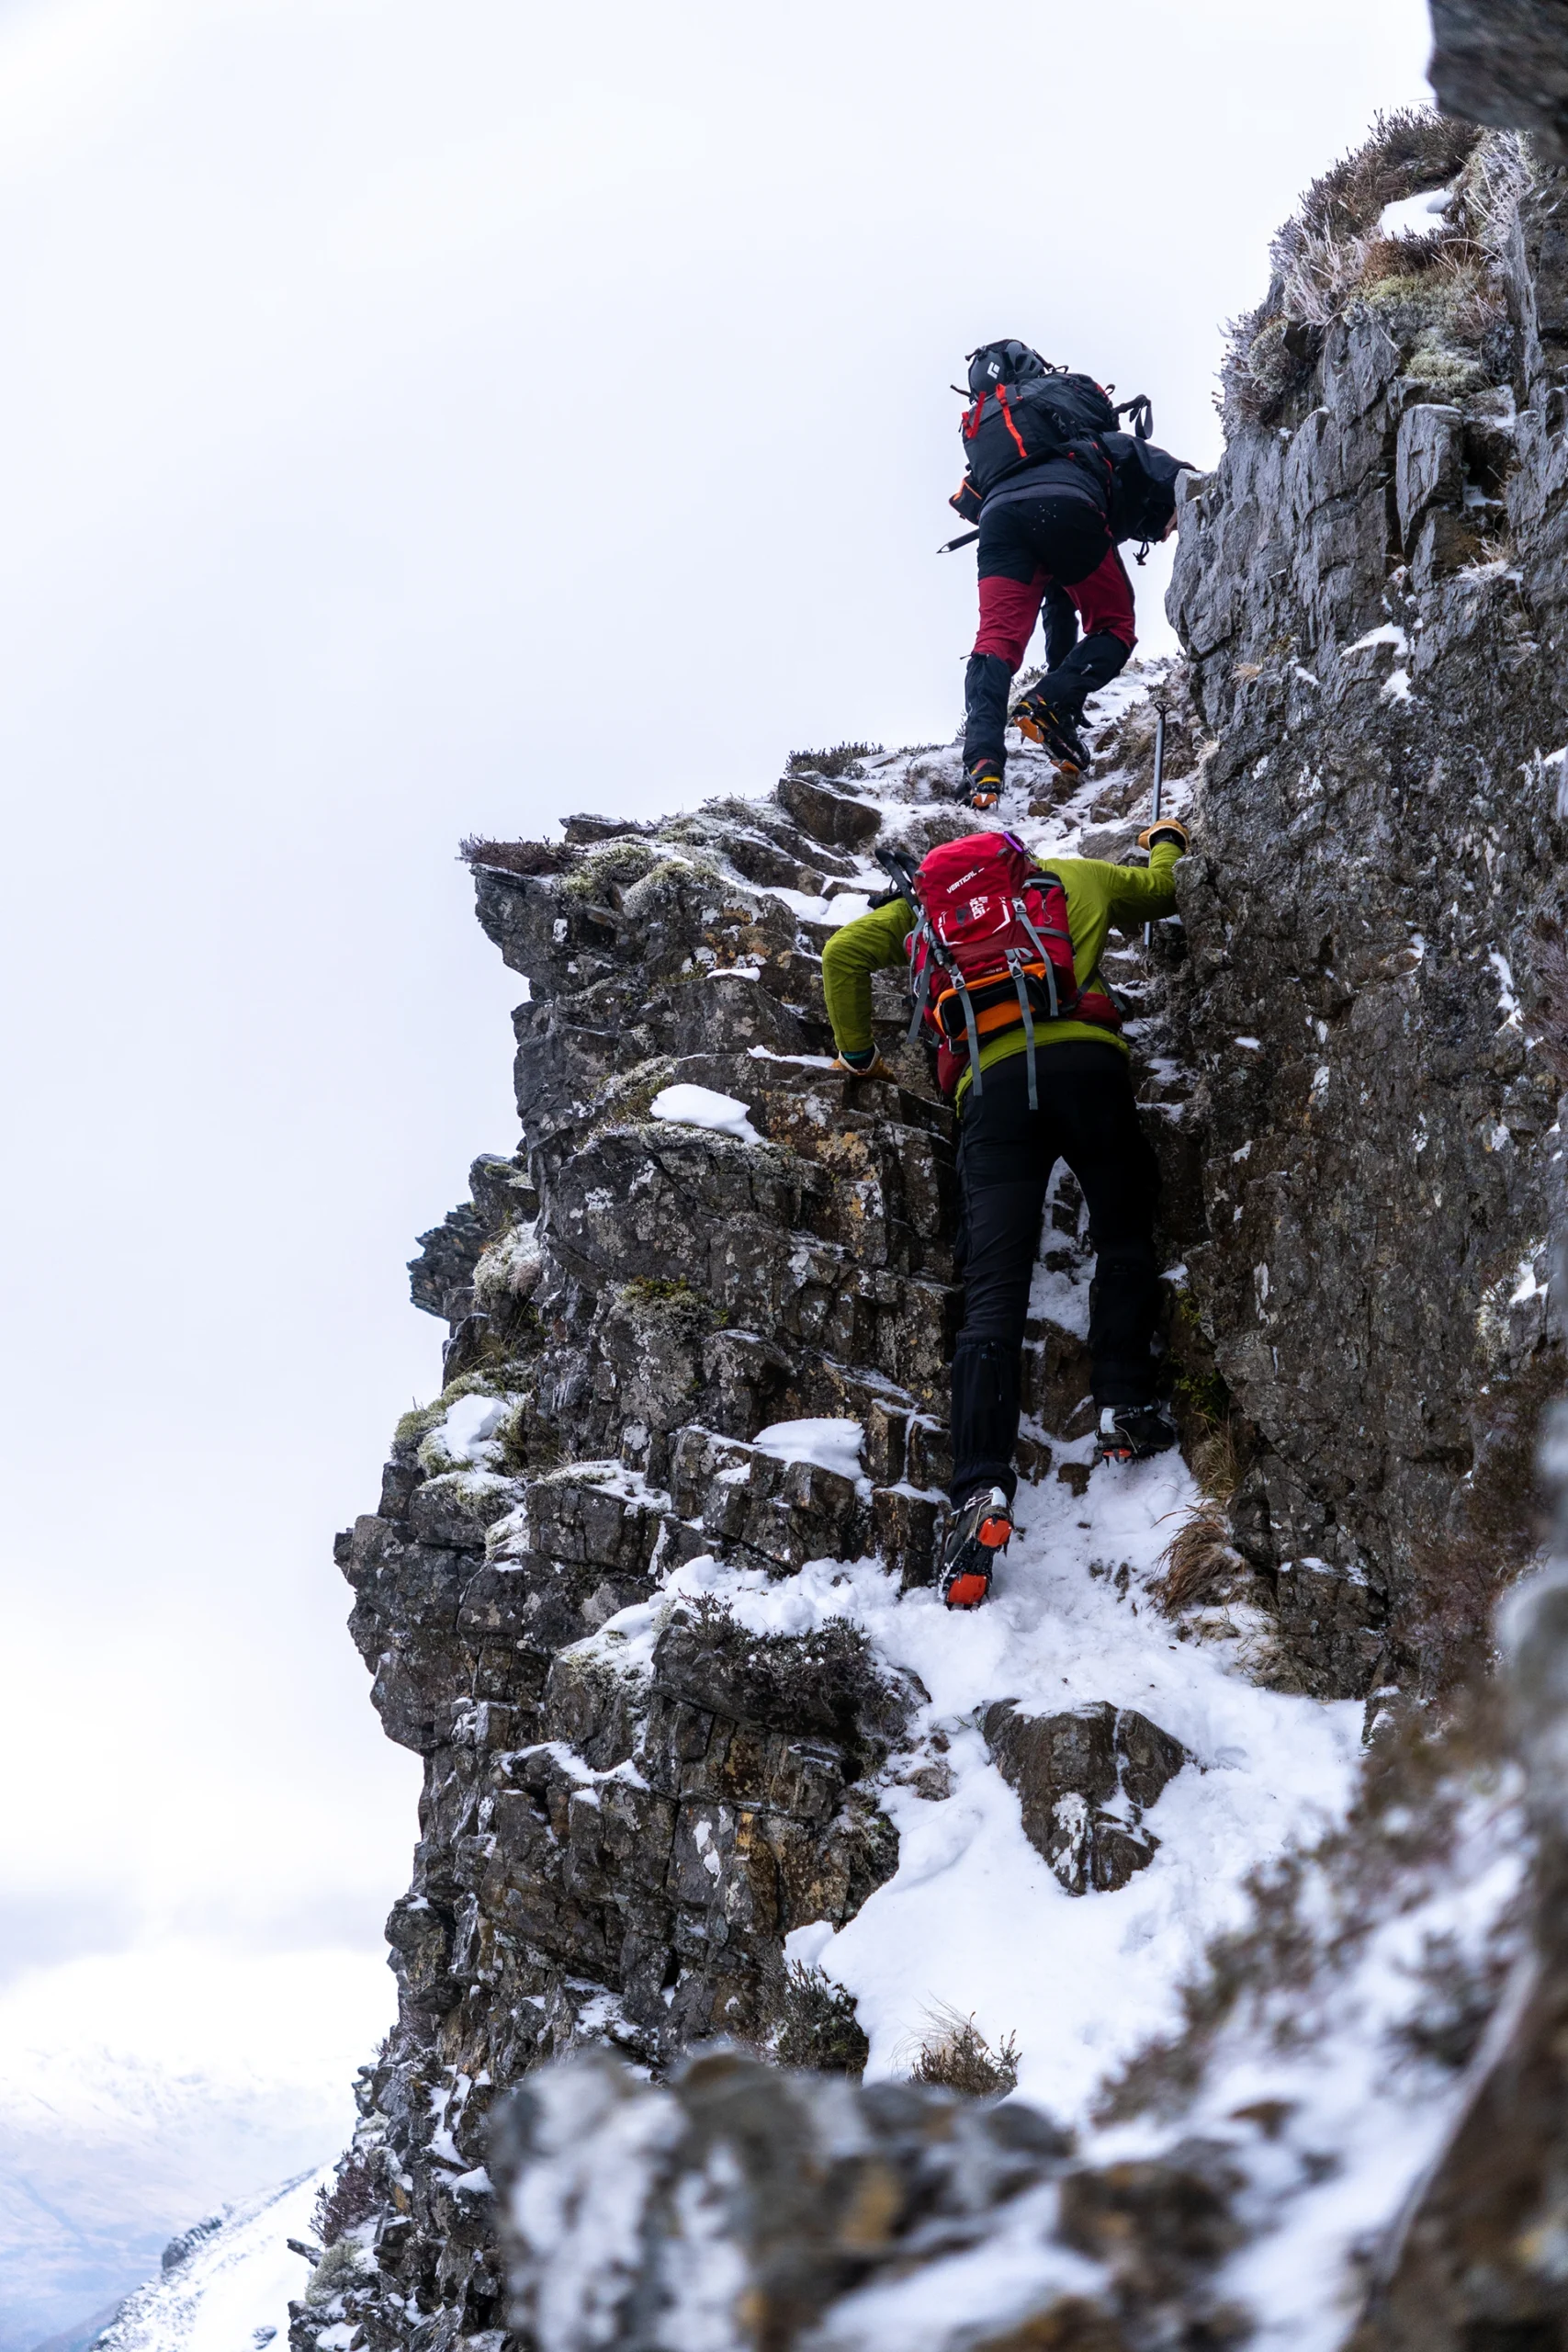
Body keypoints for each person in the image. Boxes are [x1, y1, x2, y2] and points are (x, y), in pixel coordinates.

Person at [822, 818, 1190, 1609]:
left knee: (992, 1297)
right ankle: (1124, 1405)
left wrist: (857, 1053)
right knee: (1123, 1231)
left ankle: (979, 1491)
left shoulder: (923, 916)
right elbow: (1163, 892)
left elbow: (840, 955)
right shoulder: (1068, 878)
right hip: (1088, 1068)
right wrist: (1165, 839)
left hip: (989, 1091)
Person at [947, 340, 1184, 809]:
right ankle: (1047, 703)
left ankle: (982, 762)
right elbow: (1122, 445)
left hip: (1000, 524)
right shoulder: (1064, 399)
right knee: (1113, 625)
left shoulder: (984, 430)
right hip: (1066, 505)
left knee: (995, 641)